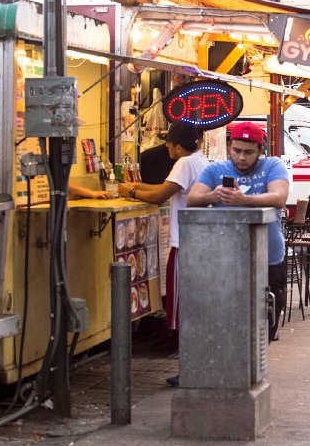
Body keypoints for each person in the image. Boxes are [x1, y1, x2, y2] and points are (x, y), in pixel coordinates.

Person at [118, 120, 209, 386]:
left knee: (182, 307)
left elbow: (159, 195)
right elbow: (162, 188)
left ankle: (190, 370)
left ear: (177, 146)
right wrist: (132, 188)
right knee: (190, 307)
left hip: (185, 244)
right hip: (196, 242)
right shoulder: (198, 160)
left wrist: (131, 190)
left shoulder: (185, 163)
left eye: (168, 143)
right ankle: (194, 367)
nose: (166, 147)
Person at [187, 121, 290, 344]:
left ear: (260, 151)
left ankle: (255, 372)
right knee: (229, 321)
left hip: (269, 258)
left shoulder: (272, 165)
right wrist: (215, 195)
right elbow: (192, 199)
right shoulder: (216, 170)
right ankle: (235, 373)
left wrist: (243, 200)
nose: (242, 157)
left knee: (266, 327)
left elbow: (278, 197)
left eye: (248, 152)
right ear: (229, 147)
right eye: (236, 151)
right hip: (228, 259)